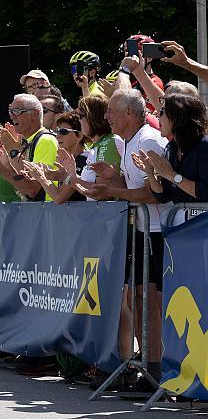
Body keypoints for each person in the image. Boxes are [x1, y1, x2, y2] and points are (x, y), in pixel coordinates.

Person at [76, 89, 169, 391]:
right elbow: (132, 188)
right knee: (141, 299)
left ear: (129, 113)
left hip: (161, 232)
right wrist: (113, 178)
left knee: (153, 302)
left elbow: (157, 194)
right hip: (143, 231)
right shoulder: (127, 142)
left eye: (111, 112)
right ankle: (150, 368)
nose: (105, 117)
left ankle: (159, 369)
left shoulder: (149, 140)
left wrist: (113, 190)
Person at [0, 94, 59, 201]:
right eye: (10, 111)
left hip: (48, 212)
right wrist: (7, 163)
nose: (12, 116)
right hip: (39, 212)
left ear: (34, 114)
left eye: (17, 111)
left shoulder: (45, 140)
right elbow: (22, 185)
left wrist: (1, 165)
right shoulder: (27, 142)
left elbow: (32, 189)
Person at [135, 93, 208, 205]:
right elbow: (164, 197)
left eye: (162, 112)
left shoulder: (204, 147)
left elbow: (204, 192)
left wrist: (171, 175)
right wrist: (150, 174)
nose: (158, 115)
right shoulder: (171, 148)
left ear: (178, 117)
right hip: (180, 220)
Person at [24, 111, 87, 203]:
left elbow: (59, 197)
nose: (57, 136)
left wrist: (42, 178)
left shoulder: (83, 160)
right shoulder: (66, 161)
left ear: (80, 136)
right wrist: (40, 176)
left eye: (63, 132)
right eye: (57, 131)